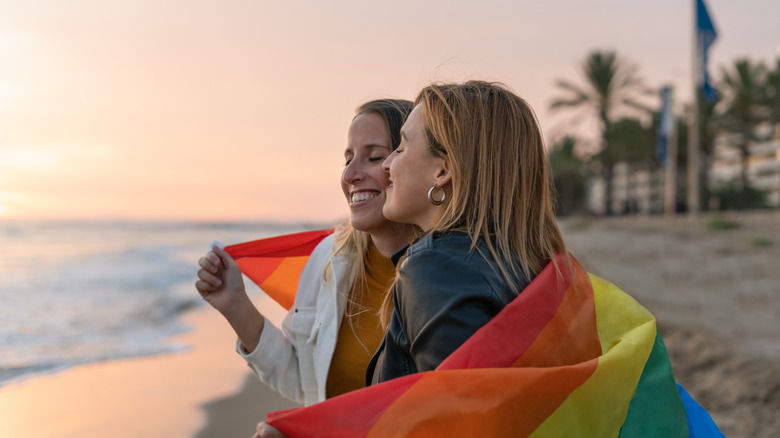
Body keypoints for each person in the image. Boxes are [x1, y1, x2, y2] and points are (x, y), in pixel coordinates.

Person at [195, 98, 416, 406]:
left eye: (374, 157)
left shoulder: (447, 269)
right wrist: (235, 304)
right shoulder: (329, 257)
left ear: (415, 165)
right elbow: (303, 380)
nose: (350, 174)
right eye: (348, 158)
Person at [366, 80, 569, 383]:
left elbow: (457, 417)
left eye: (402, 146)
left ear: (443, 171)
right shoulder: (537, 265)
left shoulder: (435, 269)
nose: (388, 164)